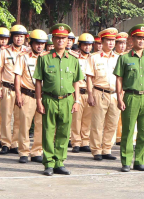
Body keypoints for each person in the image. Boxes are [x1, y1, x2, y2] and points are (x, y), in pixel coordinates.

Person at [33, 23, 83, 176]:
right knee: (48, 131)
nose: (61, 41)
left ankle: (59, 162)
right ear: (52, 40)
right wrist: (39, 101)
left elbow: (76, 82)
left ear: (68, 40)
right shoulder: (44, 59)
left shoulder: (73, 60)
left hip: (67, 99)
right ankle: (48, 163)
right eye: (58, 38)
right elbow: (39, 82)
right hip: (49, 99)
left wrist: (77, 100)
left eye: (64, 38)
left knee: (64, 131)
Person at [114, 24, 144, 172]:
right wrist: (120, 98)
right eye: (138, 38)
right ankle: (126, 161)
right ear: (132, 40)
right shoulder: (125, 58)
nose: (141, 41)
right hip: (130, 96)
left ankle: (140, 161)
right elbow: (119, 79)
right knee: (127, 131)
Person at [84, 28, 121, 161]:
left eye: (113, 41)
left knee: (112, 123)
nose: (111, 43)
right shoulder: (94, 57)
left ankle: (107, 149)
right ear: (102, 41)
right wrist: (90, 94)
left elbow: (121, 79)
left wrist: (121, 96)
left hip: (115, 94)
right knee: (97, 123)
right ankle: (96, 150)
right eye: (108, 41)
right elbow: (89, 77)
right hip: (99, 92)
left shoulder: (118, 58)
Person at [11, 29, 47, 164]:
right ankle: (24, 152)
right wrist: (18, 95)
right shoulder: (23, 56)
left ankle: (37, 151)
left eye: (42, 44)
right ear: (31, 43)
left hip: (44, 96)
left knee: (41, 125)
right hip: (28, 94)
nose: (40, 46)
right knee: (24, 124)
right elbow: (17, 77)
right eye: (37, 43)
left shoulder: (47, 57)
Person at [0, 24, 29, 155]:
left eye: (21, 37)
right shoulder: (4, 51)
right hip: (7, 88)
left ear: (25, 38)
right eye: (16, 37)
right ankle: (5, 143)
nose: (19, 39)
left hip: (22, 90)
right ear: (12, 38)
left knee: (19, 118)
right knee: (5, 116)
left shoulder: (27, 52)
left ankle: (15, 143)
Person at [70, 33, 94, 153]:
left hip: (89, 92)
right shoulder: (74, 58)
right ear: (80, 45)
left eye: (89, 45)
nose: (87, 47)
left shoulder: (94, 58)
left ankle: (85, 141)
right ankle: (76, 142)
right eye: (85, 45)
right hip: (78, 91)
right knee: (76, 118)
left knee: (87, 119)